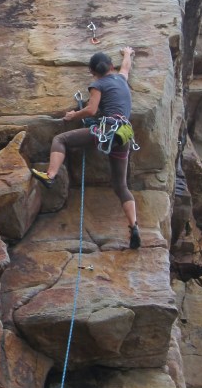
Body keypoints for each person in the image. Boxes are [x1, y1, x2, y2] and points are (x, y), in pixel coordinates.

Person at [32, 48, 140, 249]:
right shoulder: (121, 79)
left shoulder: (97, 84)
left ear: (93, 72)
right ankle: (134, 226)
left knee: (60, 139)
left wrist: (73, 116)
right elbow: (126, 68)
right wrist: (127, 53)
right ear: (110, 66)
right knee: (120, 186)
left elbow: (91, 109)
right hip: (123, 134)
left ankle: (51, 175)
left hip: (107, 129)